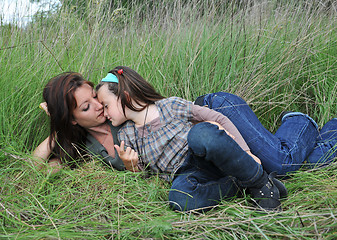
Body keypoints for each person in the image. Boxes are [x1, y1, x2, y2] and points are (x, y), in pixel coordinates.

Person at [95, 66, 287, 212]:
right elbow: (146, 175)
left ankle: (258, 180)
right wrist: (132, 166)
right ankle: (249, 184)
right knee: (179, 197)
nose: (104, 113)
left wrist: (246, 152)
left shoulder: (169, 106)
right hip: (186, 174)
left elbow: (218, 118)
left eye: (106, 105)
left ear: (125, 97)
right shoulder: (127, 135)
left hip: (204, 153)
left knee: (201, 133)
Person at [194, 92, 337, 175]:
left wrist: (247, 153)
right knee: (306, 165)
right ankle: (329, 129)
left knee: (282, 163)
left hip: (215, 110)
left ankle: (299, 121)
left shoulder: (172, 108)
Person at [33, 72, 140, 174]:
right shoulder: (81, 147)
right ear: (72, 120)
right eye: (86, 107)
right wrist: (59, 126)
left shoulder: (121, 115)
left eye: (94, 96)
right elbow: (34, 168)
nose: (99, 106)